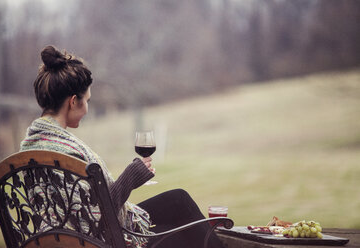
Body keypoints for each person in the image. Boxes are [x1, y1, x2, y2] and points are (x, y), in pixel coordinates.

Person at [20, 45, 225, 248]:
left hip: (63, 237)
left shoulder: (30, 146)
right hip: (99, 240)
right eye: (87, 100)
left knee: (178, 199)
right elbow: (95, 216)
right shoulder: (64, 151)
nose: (87, 108)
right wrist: (129, 178)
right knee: (186, 236)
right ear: (73, 101)